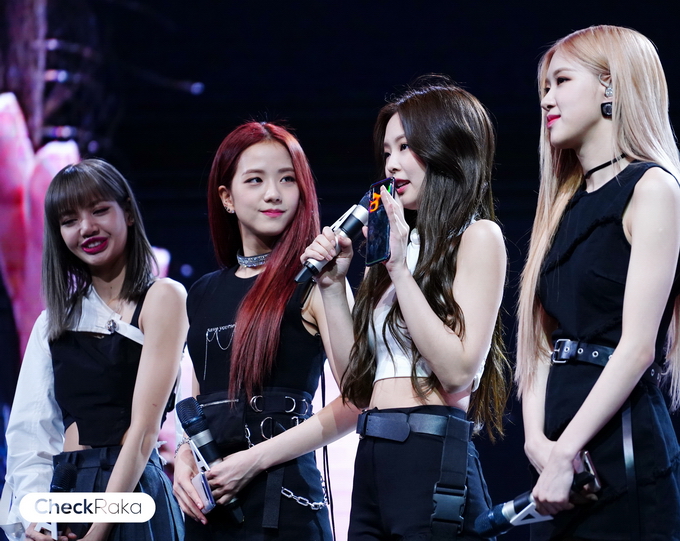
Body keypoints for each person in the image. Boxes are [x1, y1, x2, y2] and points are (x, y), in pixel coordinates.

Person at [198, 78, 510, 541]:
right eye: (386, 151)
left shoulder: (477, 236)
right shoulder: (397, 247)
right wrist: (330, 285)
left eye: (405, 147)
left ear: (446, 148)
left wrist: (399, 269)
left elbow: (458, 371)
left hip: (429, 447)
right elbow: (357, 385)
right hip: (373, 454)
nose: (391, 164)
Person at [517, 25, 680, 540]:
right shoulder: (561, 206)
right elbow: (539, 341)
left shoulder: (651, 188)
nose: (547, 99)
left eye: (562, 81)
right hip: (558, 457)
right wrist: (537, 442)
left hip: (622, 446)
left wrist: (564, 451)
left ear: (610, 85)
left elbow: (637, 348)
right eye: (545, 87)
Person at [173, 121, 349, 541]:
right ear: (226, 197)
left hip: (285, 506)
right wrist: (182, 456)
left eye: (287, 179)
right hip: (210, 506)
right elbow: (198, 404)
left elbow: (359, 399)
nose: (274, 193)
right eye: (255, 180)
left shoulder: (318, 281)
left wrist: (253, 460)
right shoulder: (202, 293)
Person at [0, 159, 187, 541]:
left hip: (132, 494)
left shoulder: (162, 297)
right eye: (69, 220)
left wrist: (98, 530)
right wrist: (39, 520)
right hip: (67, 494)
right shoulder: (52, 322)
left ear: (128, 213)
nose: (86, 227)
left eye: (99, 210)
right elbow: (31, 435)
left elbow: (144, 432)